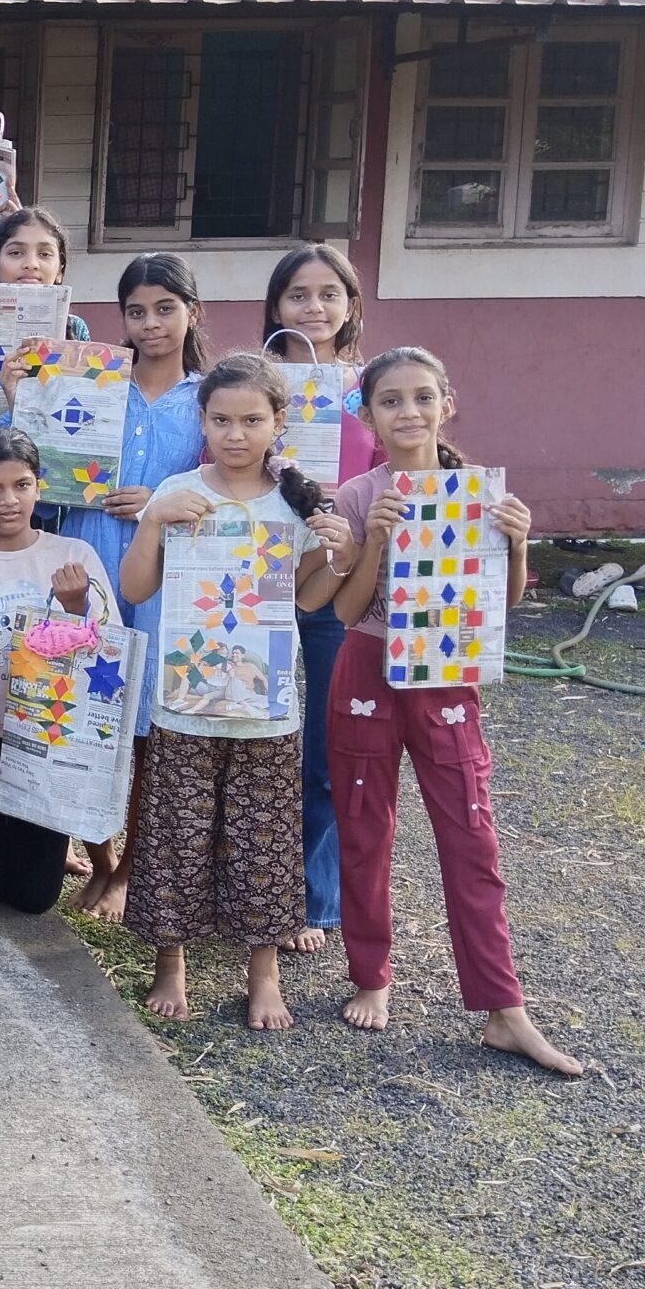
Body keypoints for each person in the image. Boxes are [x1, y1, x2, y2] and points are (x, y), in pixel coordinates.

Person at [322, 347, 582, 1076]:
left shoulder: (479, 493)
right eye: (391, 401)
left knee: (471, 835)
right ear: (368, 416)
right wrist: (375, 538)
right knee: (365, 828)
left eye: (422, 397)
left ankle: (504, 1007)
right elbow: (344, 610)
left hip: (445, 677)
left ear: (447, 404)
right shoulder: (358, 495)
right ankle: (371, 973)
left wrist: (519, 544)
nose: (408, 412)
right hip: (369, 667)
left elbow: (499, 604)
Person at [116, 354, 352, 1031]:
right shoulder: (178, 491)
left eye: (252, 420)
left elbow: (308, 600)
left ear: (279, 423)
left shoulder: (295, 504)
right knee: (177, 834)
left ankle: (263, 972)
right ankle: (171, 963)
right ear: (203, 421)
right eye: (221, 420)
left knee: (263, 839)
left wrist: (339, 556)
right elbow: (134, 588)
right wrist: (153, 521)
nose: (236, 434)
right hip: (183, 704)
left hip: (265, 709)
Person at [3, 252, 210, 922]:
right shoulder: (92, 383)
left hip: (165, 578)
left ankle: (128, 868)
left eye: (165, 309)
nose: (151, 324)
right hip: (86, 563)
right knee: (79, 710)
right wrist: (21, 401)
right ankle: (96, 855)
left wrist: (162, 500)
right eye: (136, 311)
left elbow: (230, 485)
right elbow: (38, 467)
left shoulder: (208, 399)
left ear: (192, 313)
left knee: (146, 726)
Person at [0, 429, 119, 916]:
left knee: (34, 898)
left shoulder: (74, 556)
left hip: (47, 738)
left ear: (38, 487)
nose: (9, 500)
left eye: (22, 485)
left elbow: (108, 653)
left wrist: (75, 606)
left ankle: (40, 841)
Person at [261, 243, 382, 959]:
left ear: (351, 304)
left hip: (342, 582)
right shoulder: (254, 382)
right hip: (257, 578)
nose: (314, 307)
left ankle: (314, 894)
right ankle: (248, 885)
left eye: (329, 293)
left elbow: (397, 472)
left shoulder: (370, 390)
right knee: (250, 738)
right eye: (298, 295)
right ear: (276, 306)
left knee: (332, 747)